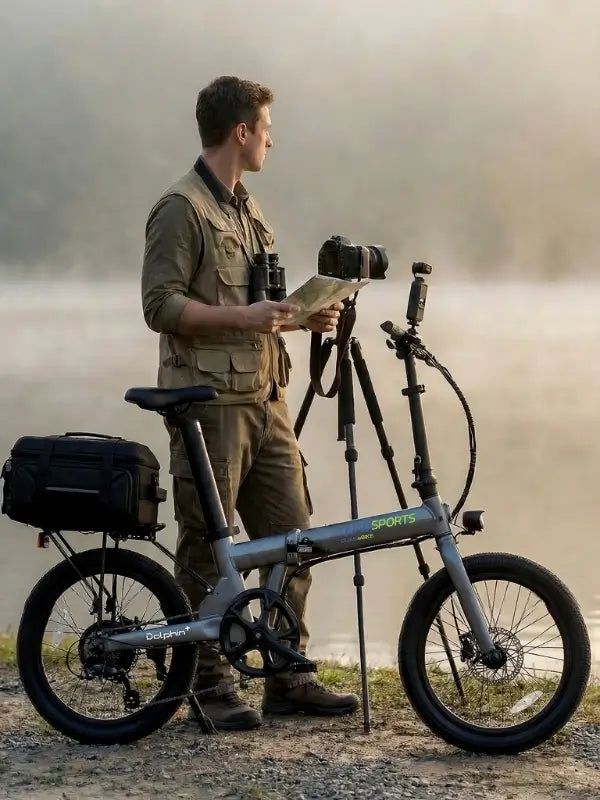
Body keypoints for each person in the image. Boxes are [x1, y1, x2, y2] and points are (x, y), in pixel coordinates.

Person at [141, 75, 359, 731]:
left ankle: (288, 677)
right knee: (208, 550)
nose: (272, 140)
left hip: (267, 399)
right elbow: (161, 306)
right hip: (208, 406)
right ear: (241, 131)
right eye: (266, 128)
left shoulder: (248, 208)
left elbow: (257, 306)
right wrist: (247, 316)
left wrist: (302, 317)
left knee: (295, 539)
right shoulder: (180, 208)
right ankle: (207, 684)